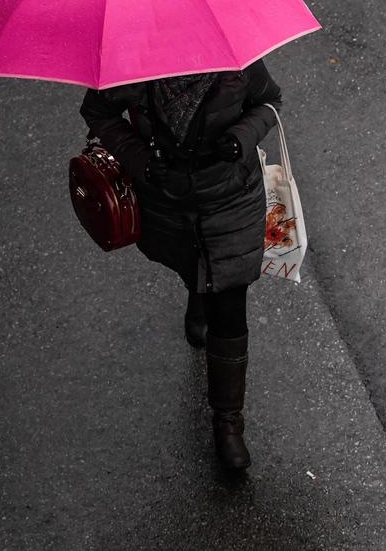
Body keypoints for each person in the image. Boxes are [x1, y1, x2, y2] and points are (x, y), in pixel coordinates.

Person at [80, 60, 282, 472]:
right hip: (167, 201)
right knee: (194, 267)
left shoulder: (237, 61)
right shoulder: (132, 64)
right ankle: (196, 292)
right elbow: (98, 113)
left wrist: (240, 138)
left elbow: (269, 103)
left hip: (230, 197)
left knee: (230, 307)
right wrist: (140, 158)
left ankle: (228, 423)